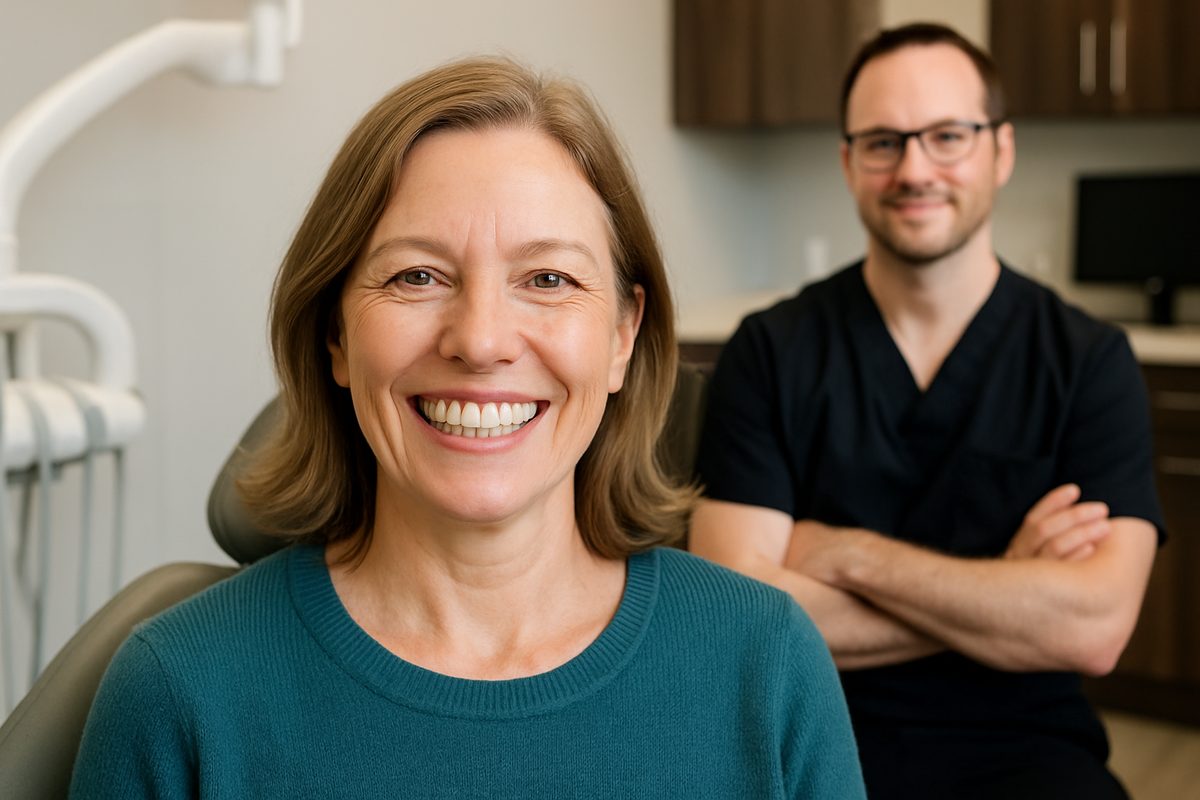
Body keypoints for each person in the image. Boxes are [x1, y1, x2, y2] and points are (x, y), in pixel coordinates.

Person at [69, 57, 865, 798]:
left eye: (548, 279)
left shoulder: (767, 666)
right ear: (335, 335)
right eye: (416, 276)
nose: (481, 340)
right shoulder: (178, 692)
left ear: (622, 336)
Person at [689, 22, 1164, 800]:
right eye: (883, 141)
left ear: (1001, 151)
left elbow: (1094, 627)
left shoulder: (1089, 361)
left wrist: (844, 556)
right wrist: (1005, 596)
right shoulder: (771, 350)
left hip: (1029, 751)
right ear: (848, 162)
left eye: (948, 136)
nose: (914, 169)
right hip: (809, 737)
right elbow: (734, 615)